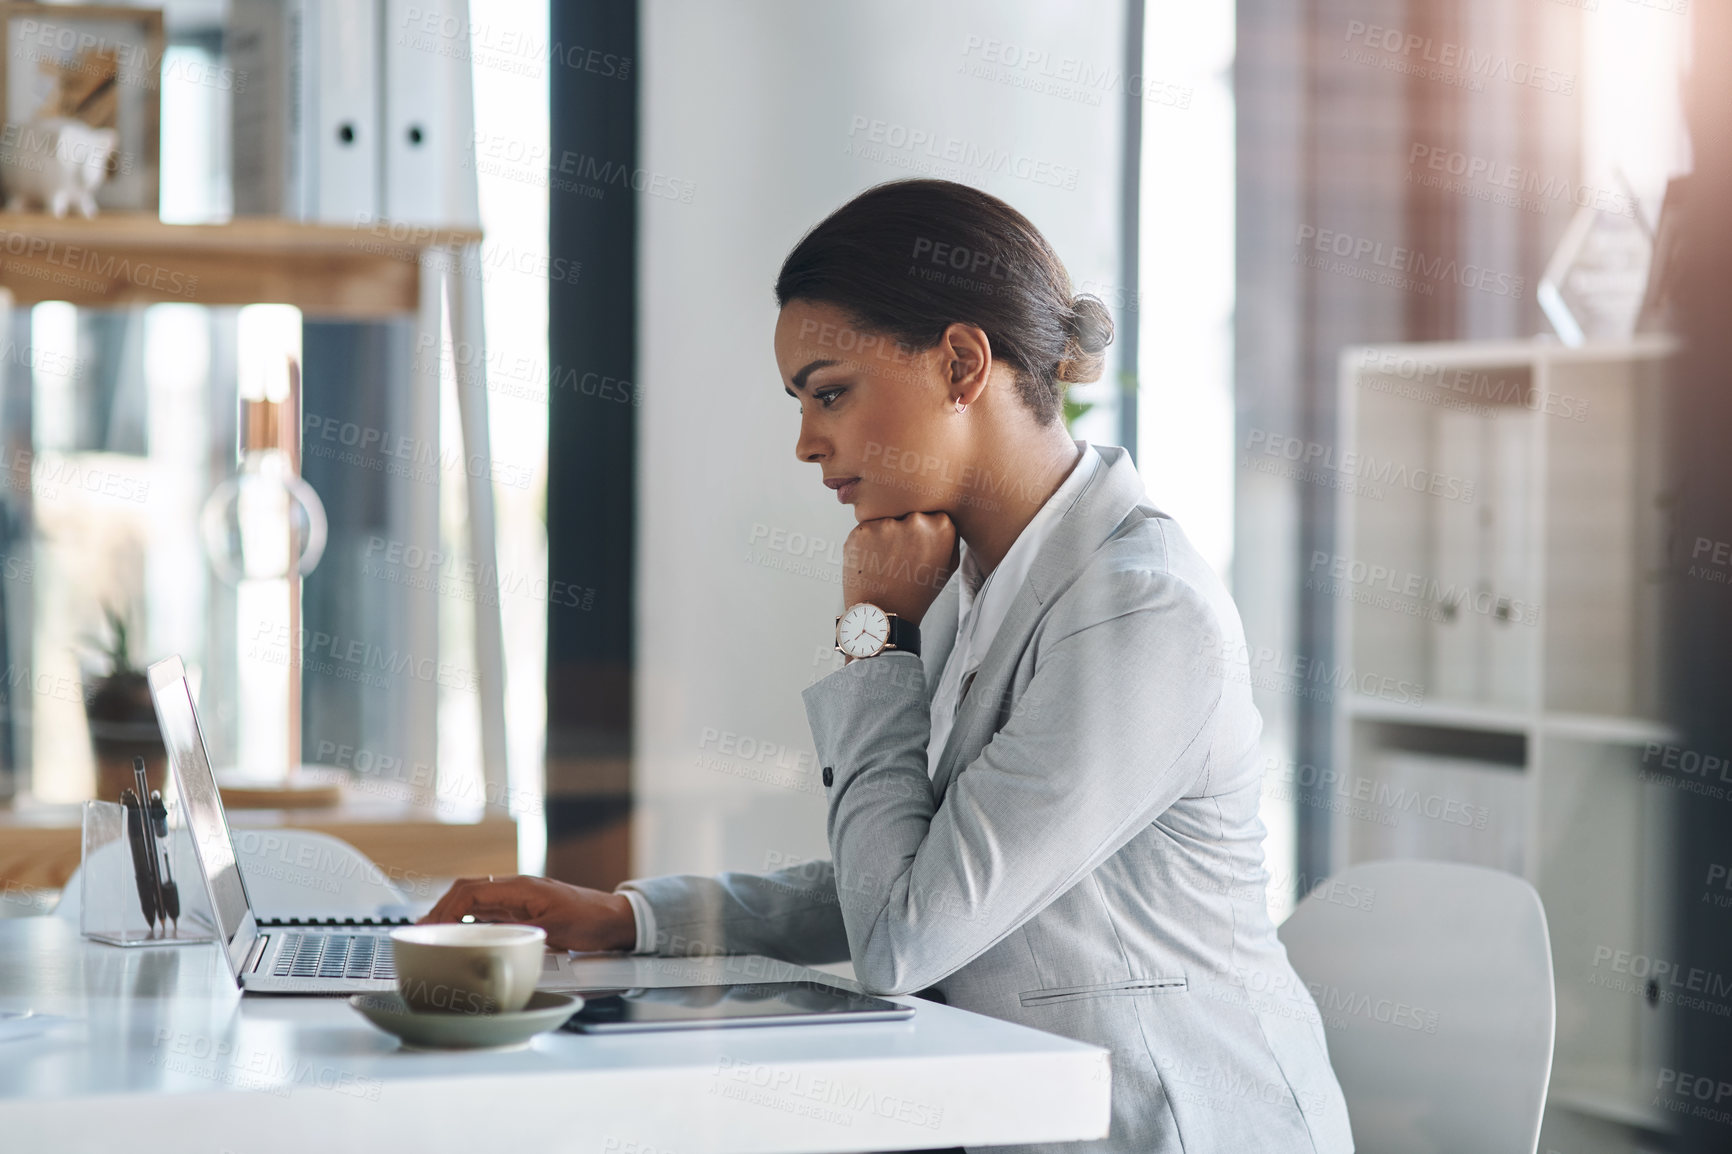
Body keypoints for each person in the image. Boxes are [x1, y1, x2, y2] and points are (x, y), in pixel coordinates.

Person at [422, 179, 1353, 1154]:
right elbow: (915, 876)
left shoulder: (1137, 608)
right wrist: (632, 916)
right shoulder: (984, 577)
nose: (805, 441)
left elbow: (905, 936)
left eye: (830, 390)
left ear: (959, 362)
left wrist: (873, 629)